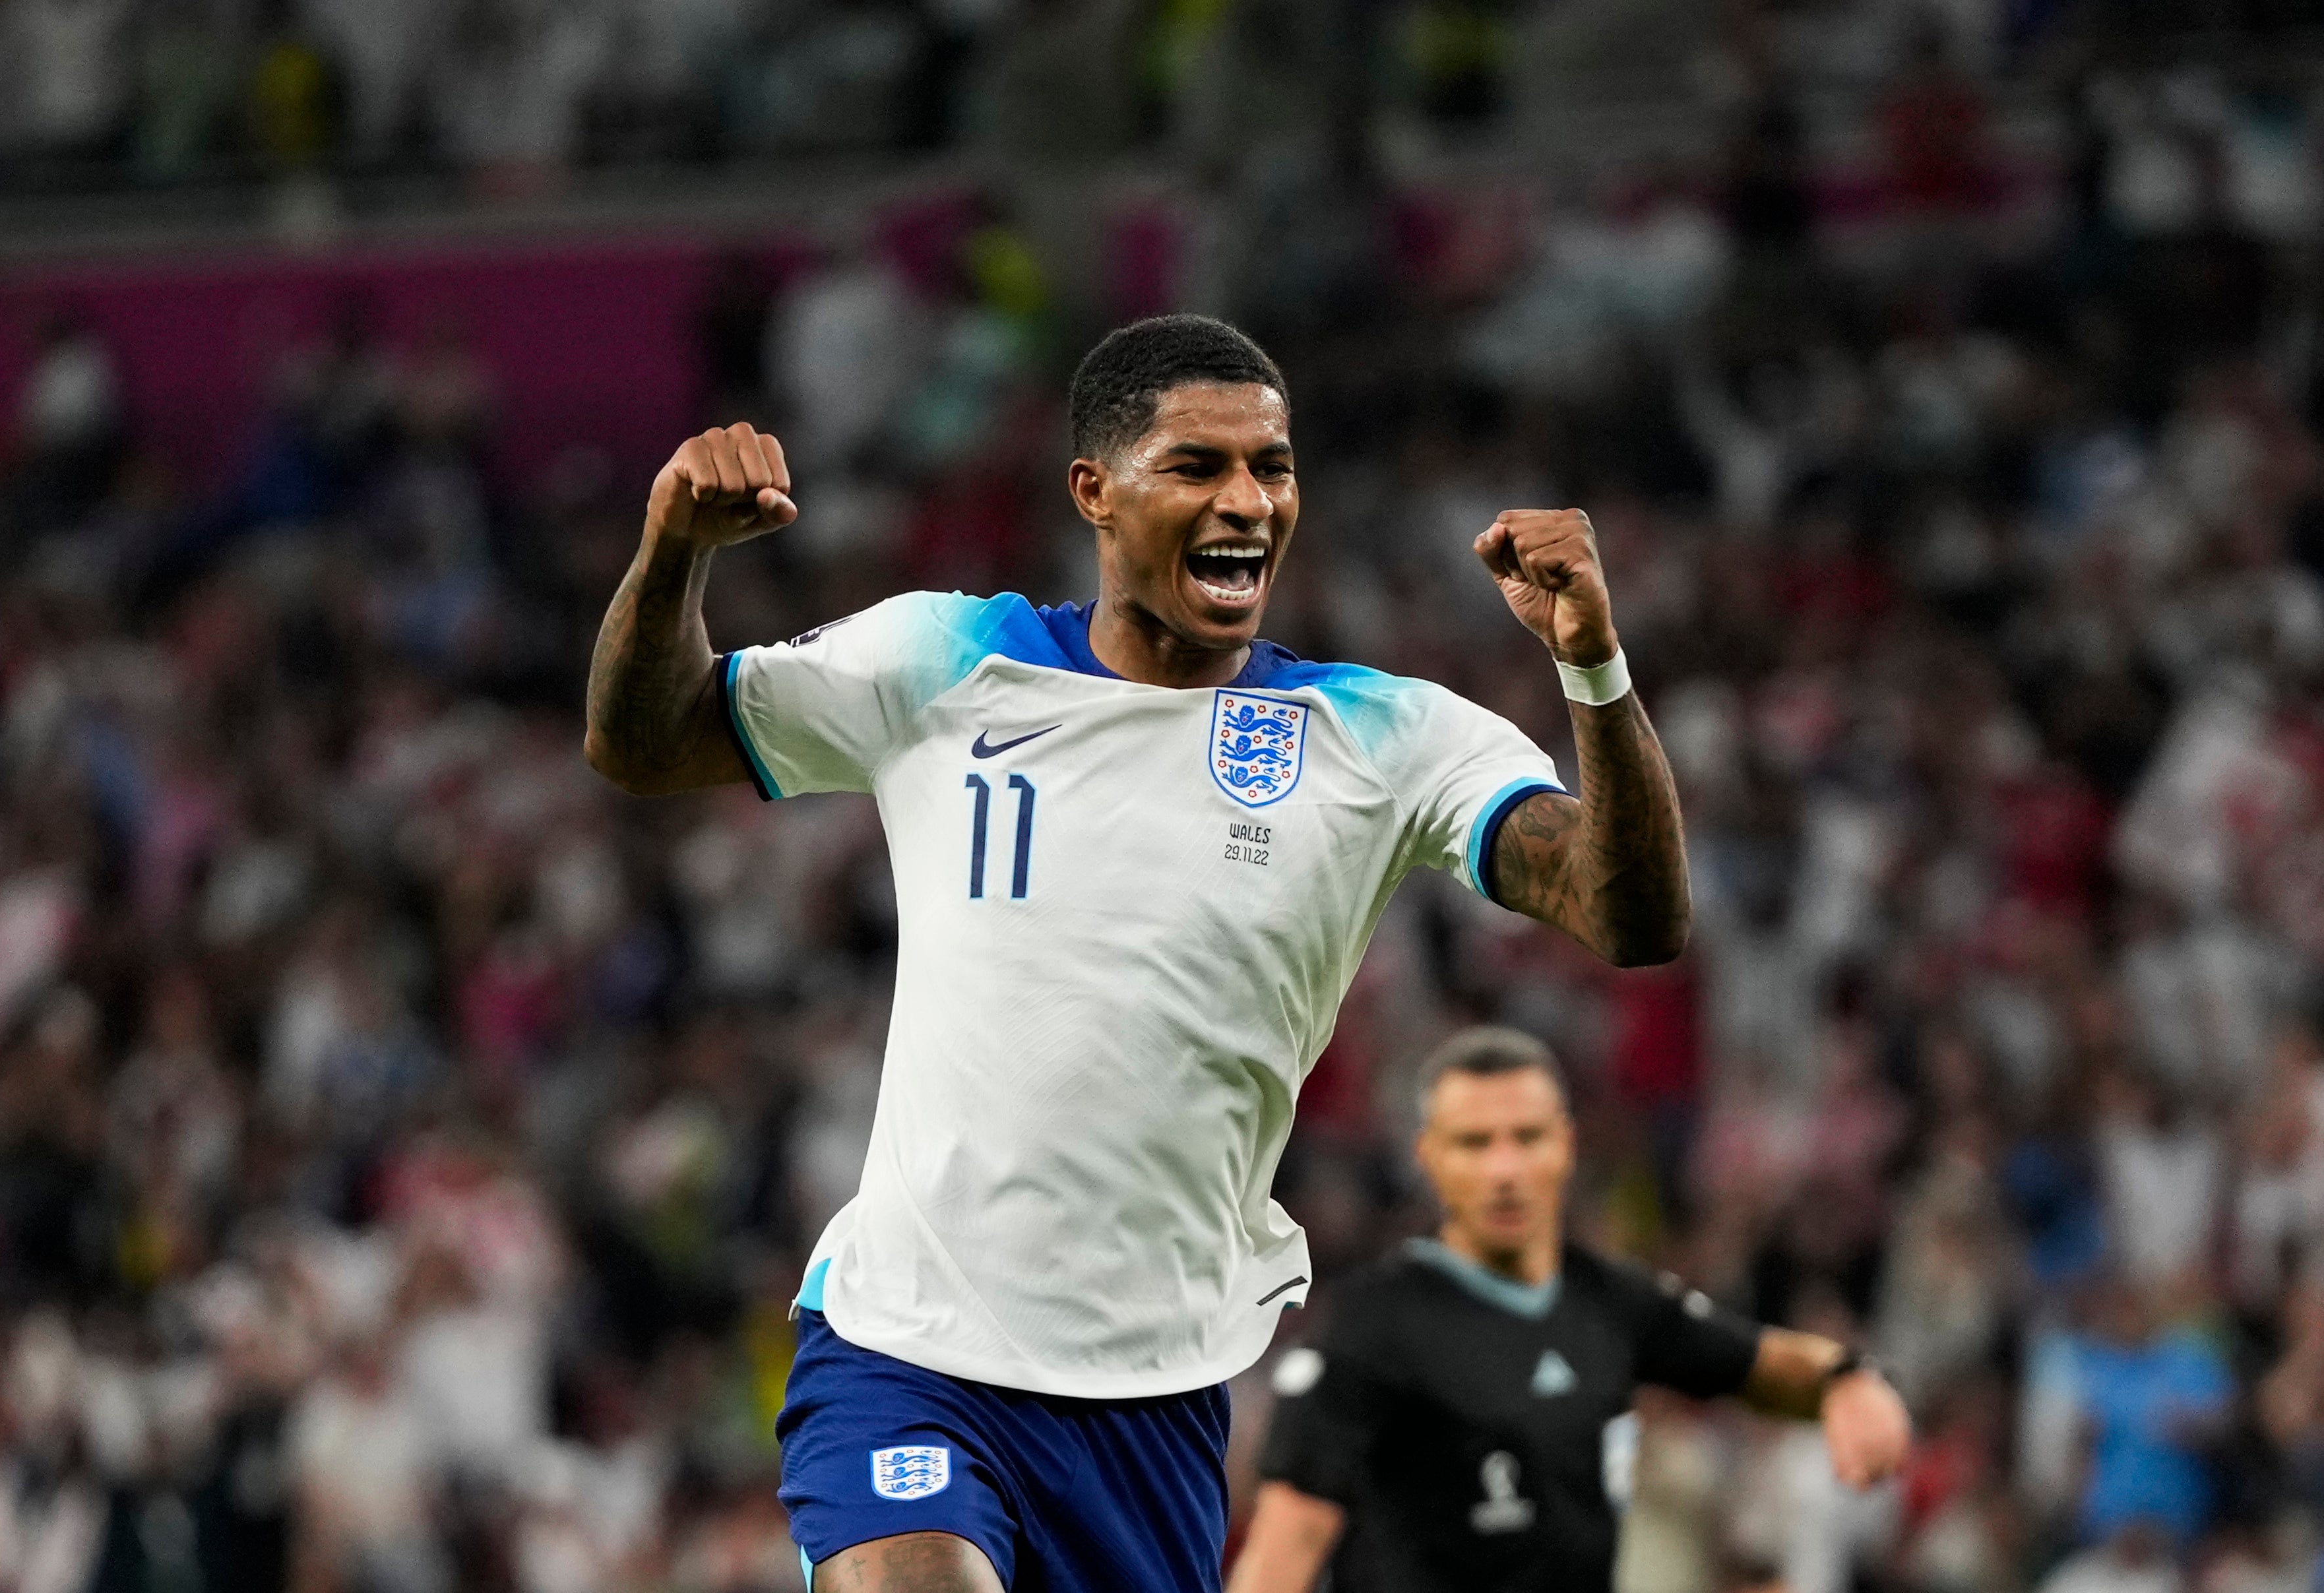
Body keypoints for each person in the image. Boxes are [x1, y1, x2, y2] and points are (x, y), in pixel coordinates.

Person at [583, 314, 1693, 1593]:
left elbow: (1632, 915)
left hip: (1153, 1395)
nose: (1246, 501)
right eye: (1197, 466)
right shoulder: (943, 661)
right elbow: (646, 738)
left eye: (1270, 468)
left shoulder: (1376, 736)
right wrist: (671, 550)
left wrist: (1593, 670)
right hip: (907, 1340)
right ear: (1093, 494)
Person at [1228, 1027, 1913, 1593]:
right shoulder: (1371, 1325)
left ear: (1561, 1148)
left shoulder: (1611, 1303)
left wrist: (1843, 1383)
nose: (1504, 1169)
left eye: (1525, 1139)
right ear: (1431, 1158)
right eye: (1476, 1143)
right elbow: (1290, 1537)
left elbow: (1753, 1362)